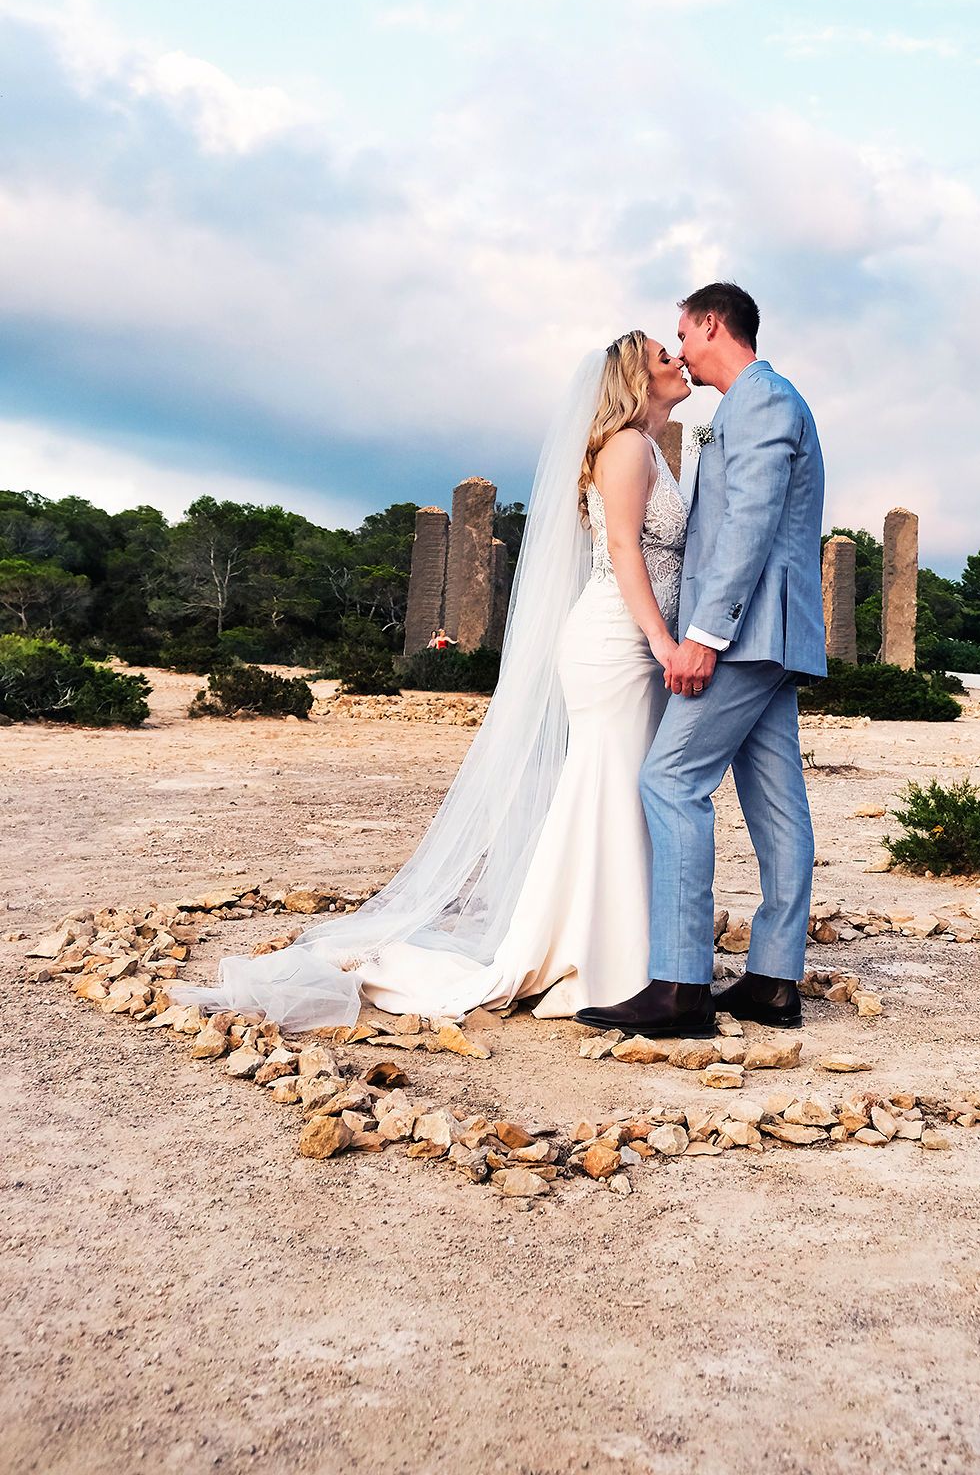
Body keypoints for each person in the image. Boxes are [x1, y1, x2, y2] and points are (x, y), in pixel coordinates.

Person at [167, 330, 692, 1030]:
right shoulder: (626, 445)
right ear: (634, 377)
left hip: (633, 641)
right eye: (665, 356)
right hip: (619, 643)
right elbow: (623, 546)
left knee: (613, 788)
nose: (678, 360)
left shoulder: (650, 446)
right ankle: (605, 959)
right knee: (611, 786)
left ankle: (614, 949)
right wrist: (661, 639)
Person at [577, 281, 826, 1038]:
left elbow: (747, 526)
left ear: (710, 324)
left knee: (670, 778)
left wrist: (704, 637)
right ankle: (774, 980)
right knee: (776, 797)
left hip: (744, 635)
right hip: (769, 635)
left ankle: (680, 987)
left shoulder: (763, 401)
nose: (678, 350)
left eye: (682, 335)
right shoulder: (746, 407)